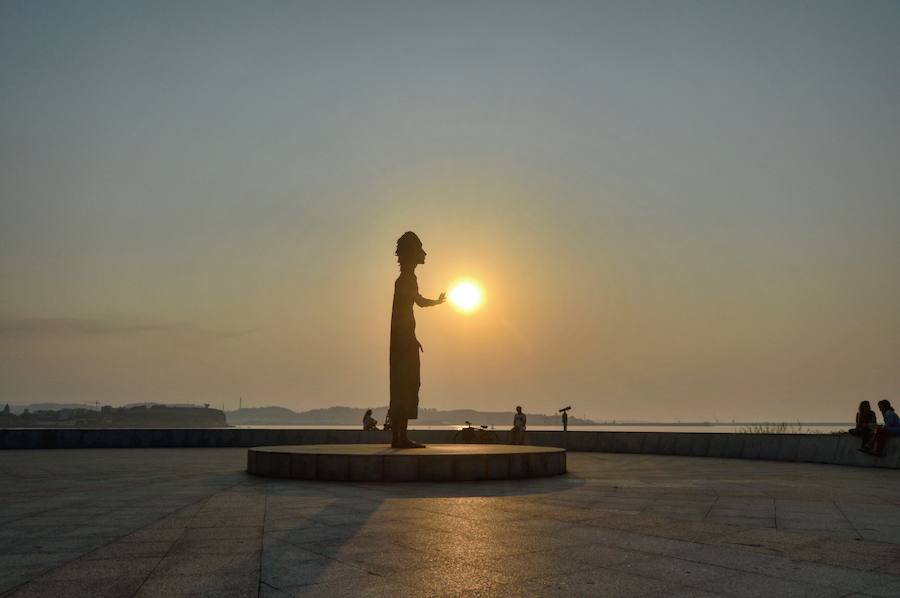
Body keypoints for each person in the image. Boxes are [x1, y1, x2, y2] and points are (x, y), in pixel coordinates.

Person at [389, 232, 445, 448]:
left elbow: (417, 303)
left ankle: (399, 436)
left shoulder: (407, 279)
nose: (425, 253)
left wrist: (437, 302)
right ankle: (399, 437)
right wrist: (409, 339)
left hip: (405, 339)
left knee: (406, 384)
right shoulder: (406, 280)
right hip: (404, 340)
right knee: (406, 384)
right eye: (421, 249)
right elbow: (407, 312)